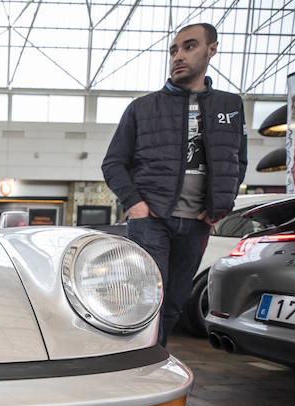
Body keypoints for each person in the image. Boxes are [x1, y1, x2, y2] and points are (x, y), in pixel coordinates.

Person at [102, 22, 247, 346]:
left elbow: (237, 162)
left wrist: (221, 206)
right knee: (146, 300)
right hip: (152, 220)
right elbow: (113, 163)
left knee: (174, 302)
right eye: (173, 50)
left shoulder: (230, 106)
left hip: (197, 222)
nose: (178, 56)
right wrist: (136, 205)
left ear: (212, 49)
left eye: (189, 46)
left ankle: (155, 361)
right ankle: (135, 365)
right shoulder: (143, 107)